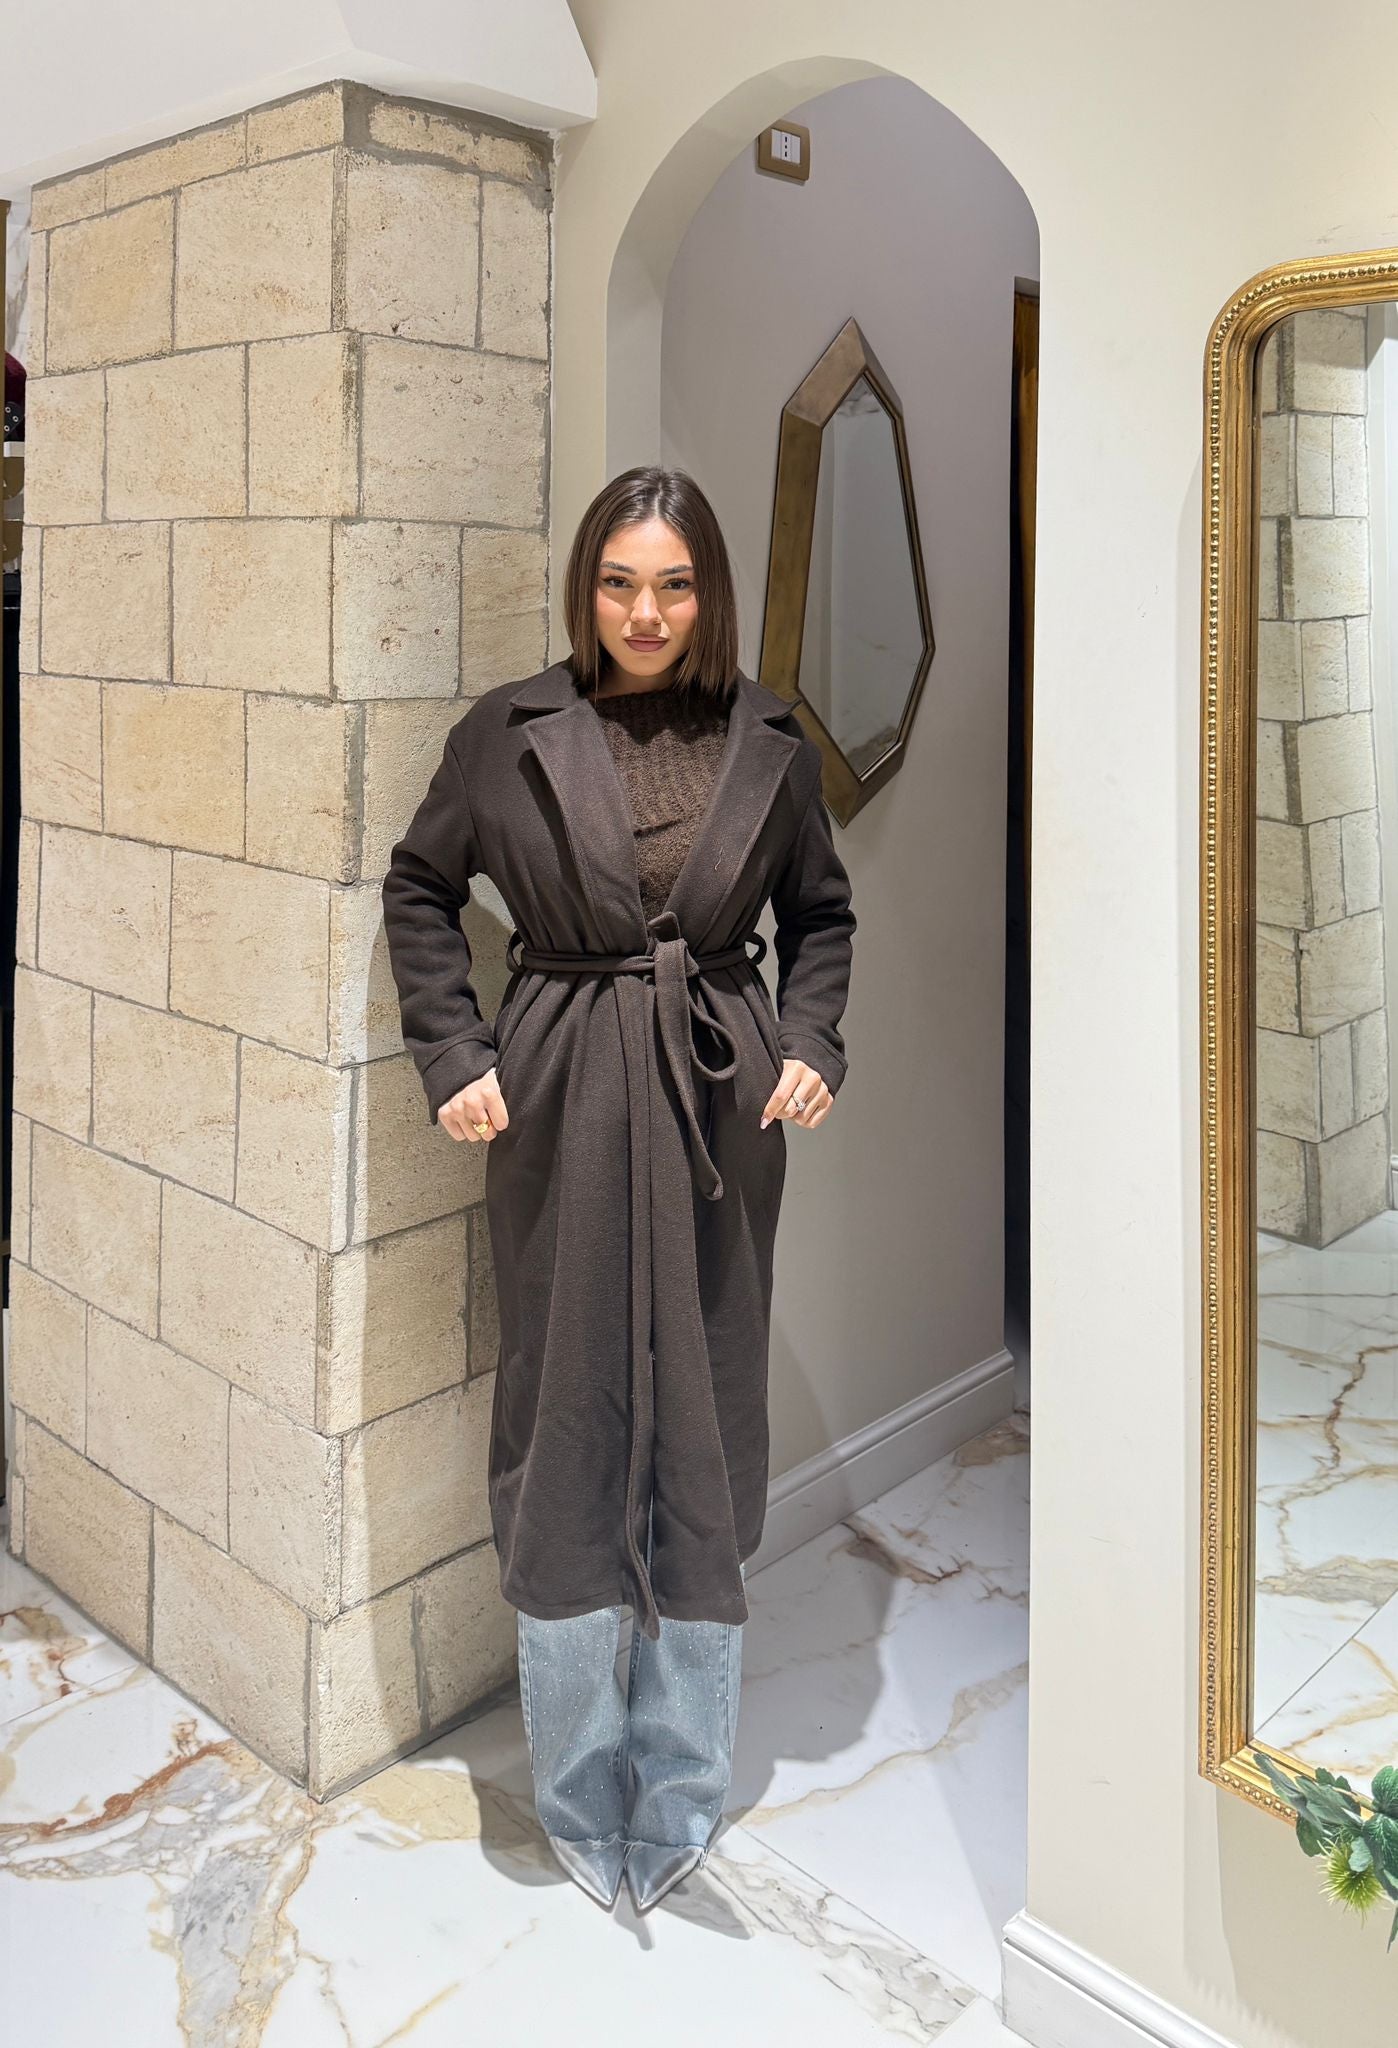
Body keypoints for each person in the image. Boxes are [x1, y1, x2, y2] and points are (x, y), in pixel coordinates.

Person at [381, 466, 856, 1914]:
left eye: (674, 585)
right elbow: (418, 888)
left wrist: (811, 1040)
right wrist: (454, 1050)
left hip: (719, 1094)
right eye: (618, 582)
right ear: (585, 587)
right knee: (566, 1409)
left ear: (709, 593)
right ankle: (581, 1785)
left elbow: (820, 914)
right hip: (562, 1090)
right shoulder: (507, 731)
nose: (645, 613)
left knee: (708, 1411)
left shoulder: (770, 739)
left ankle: (686, 1779)